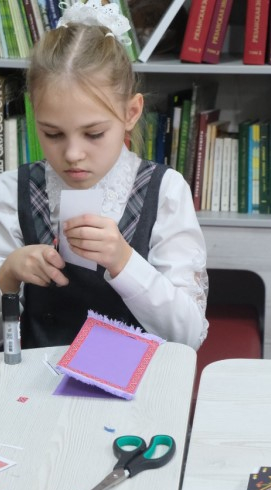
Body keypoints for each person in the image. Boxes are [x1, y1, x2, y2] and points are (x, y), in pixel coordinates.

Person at [0, 0, 208, 350]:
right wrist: (7, 276)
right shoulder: (11, 191)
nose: (72, 154)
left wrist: (124, 262)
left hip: (139, 380)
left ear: (131, 112)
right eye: (52, 134)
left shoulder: (165, 192)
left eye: (94, 133)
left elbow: (187, 335)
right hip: (40, 380)